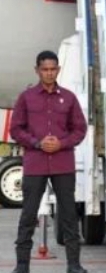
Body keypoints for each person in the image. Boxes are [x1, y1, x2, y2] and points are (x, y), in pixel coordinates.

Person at [10, 51, 88, 273]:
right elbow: (15, 129)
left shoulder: (69, 98)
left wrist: (61, 143)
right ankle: (22, 265)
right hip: (35, 164)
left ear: (58, 70)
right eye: (45, 69)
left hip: (63, 163)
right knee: (28, 215)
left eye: (53, 69)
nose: (49, 73)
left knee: (69, 216)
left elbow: (79, 129)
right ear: (37, 70)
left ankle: (74, 265)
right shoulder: (26, 97)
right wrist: (37, 143)